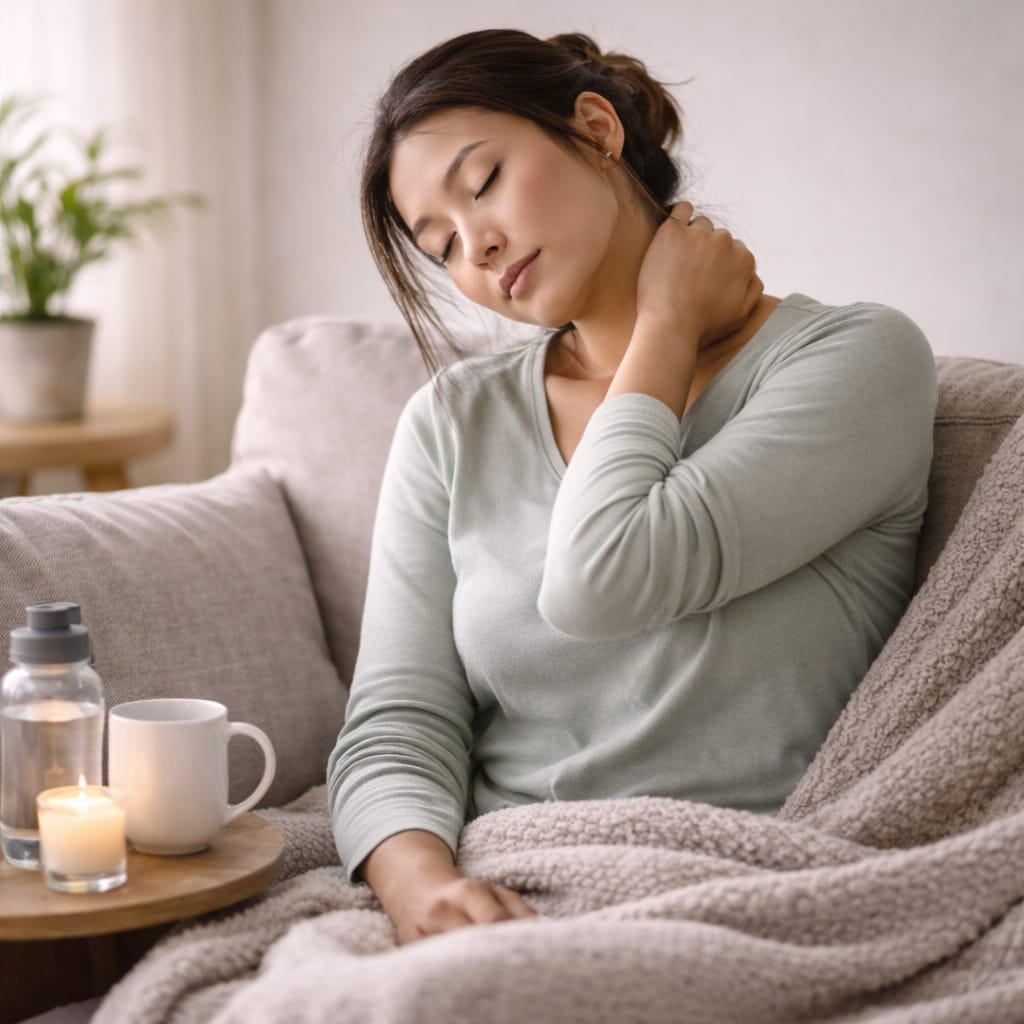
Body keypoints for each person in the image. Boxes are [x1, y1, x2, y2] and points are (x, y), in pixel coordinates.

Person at [327, 28, 937, 946]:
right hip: (507, 884)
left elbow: (604, 574)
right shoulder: (452, 422)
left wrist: (663, 322)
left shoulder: (857, 359)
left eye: (483, 182)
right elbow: (397, 719)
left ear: (597, 128)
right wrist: (423, 891)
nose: (478, 248)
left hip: (756, 887)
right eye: (442, 244)